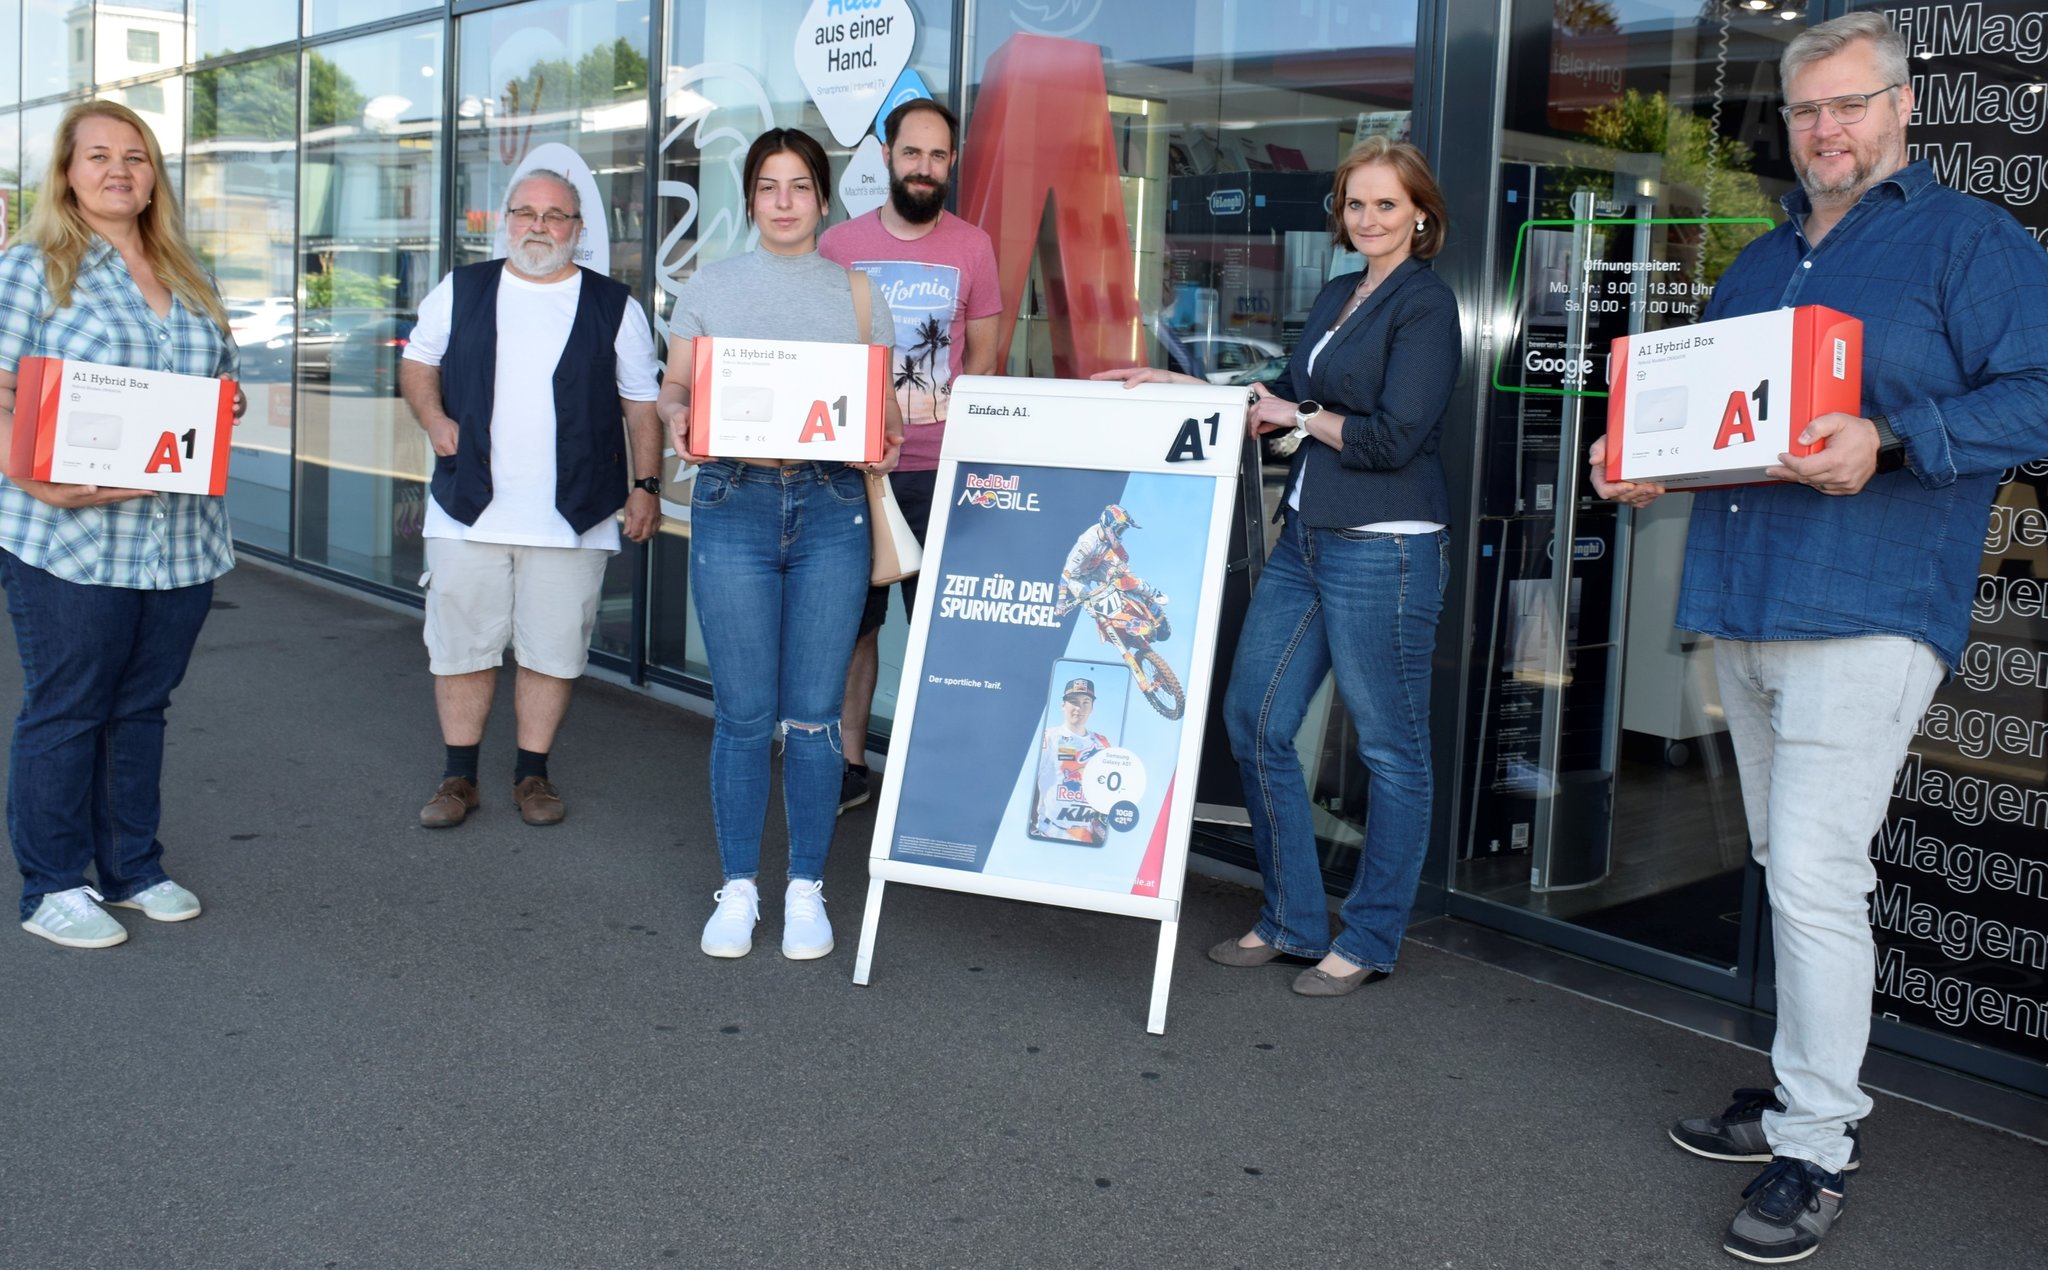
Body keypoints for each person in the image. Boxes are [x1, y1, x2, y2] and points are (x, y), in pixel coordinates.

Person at [1588, 14, 2048, 1264]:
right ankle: (1798, 1096)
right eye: (1801, 112)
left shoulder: (1968, 241)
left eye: (1846, 106)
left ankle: (1816, 1143)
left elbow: (2035, 390)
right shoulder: (1759, 261)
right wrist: (1641, 465)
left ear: (1905, 107)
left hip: (1867, 601)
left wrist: (1889, 437)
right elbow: (1727, 421)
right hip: (1745, 599)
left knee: (1810, 877)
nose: (1822, 131)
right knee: (1792, 876)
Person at [1096, 136, 1461, 998]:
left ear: (1420, 214)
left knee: (1391, 751)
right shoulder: (1341, 293)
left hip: (1387, 548)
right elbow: (1282, 399)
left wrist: (1297, 410)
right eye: (1355, 203)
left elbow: (1391, 437)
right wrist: (1180, 386)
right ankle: (1295, 919)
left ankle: (1368, 938)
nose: (1368, 218)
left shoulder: (1426, 304)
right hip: (1305, 536)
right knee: (1253, 720)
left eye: (1385, 204)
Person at [0, 102, 245, 948]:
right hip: (68, 536)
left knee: (141, 707)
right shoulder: (35, 268)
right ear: (67, 172)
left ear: (154, 176)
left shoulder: (186, 268)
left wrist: (226, 404)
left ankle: (133, 867)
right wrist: (35, 478)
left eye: (135, 157)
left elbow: (220, 378)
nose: (119, 170)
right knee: (68, 708)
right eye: (98, 155)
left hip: (180, 540)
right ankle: (53, 885)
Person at [659, 128, 903, 962]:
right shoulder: (709, 289)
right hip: (734, 501)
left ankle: (804, 887)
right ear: (751, 199)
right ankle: (737, 888)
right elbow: (674, 391)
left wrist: (886, 440)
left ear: (824, 197)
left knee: (813, 716)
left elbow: (888, 417)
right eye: (770, 186)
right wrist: (678, 419)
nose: (786, 201)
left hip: (834, 505)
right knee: (741, 714)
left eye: (801, 185)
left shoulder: (861, 295)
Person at [399, 170, 663, 829]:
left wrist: (647, 485)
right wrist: (433, 420)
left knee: (554, 650)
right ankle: (457, 776)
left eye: (556, 215)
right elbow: (417, 362)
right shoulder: (461, 289)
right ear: (504, 221)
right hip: (469, 506)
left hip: (574, 513)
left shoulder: (614, 305)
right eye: (525, 212)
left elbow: (642, 405)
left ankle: (531, 774)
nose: (539, 225)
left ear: (578, 229)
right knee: (462, 647)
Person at [818, 97, 1002, 814]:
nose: (924, 168)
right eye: (911, 153)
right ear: (887, 156)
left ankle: (936, 776)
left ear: (950, 163)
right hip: (853, 472)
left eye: (938, 156)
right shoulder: (839, 246)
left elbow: (985, 359)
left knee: (940, 633)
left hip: (941, 471)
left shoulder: (973, 247)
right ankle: (849, 765)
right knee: (853, 629)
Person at [1028, 677, 1113, 845]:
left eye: (1085, 702)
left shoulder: (1102, 743)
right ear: (1063, 705)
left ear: (1092, 708)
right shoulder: (1048, 737)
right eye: (1073, 701)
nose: (1079, 708)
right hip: (1048, 836)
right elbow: (1025, 784)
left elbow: (1110, 790)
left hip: (1087, 841)